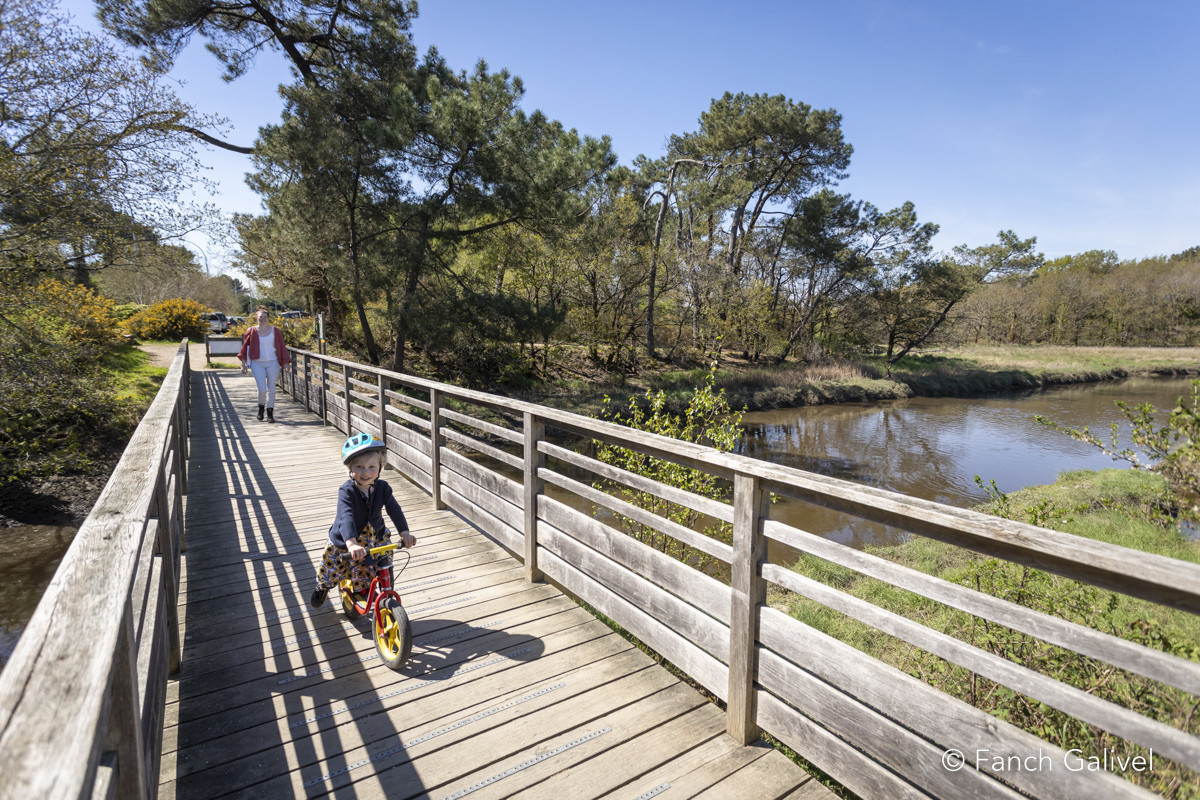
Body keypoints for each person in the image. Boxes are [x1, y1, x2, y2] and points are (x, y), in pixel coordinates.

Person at [309, 432, 417, 608]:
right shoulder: (347, 491)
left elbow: (393, 509)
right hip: (347, 538)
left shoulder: (383, 487)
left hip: (375, 536)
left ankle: (384, 593)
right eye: (359, 467)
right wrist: (351, 544)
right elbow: (346, 516)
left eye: (371, 467)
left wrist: (405, 533)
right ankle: (323, 587)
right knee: (332, 568)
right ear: (350, 469)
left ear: (380, 467)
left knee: (384, 564)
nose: (365, 472)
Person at [237, 306, 292, 422]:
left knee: (271, 388)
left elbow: (281, 346)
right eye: (260, 317)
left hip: (273, 362)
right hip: (257, 363)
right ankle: (261, 408)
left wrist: (286, 362)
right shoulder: (251, 331)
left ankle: (270, 412)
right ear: (257, 318)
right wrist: (243, 364)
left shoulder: (275, 331)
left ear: (268, 318)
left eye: (265, 317)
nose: (262, 319)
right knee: (262, 389)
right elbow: (244, 348)